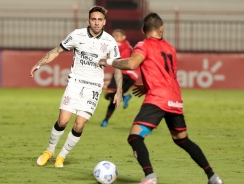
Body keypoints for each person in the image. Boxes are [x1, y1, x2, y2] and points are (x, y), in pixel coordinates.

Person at [97, 13, 223, 184]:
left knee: (135, 137)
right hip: (175, 99)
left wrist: (109, 61)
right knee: (182, 139)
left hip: (158, 99)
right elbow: (166, 75)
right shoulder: (170, 47)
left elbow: (132, 64)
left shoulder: (143, 45)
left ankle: (150, 177)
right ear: (161, 28)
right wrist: (146, 86)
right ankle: (213, 177)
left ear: (143, 30)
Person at [29, 6, 122, 168]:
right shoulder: (76, 35)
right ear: (88, 21)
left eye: (100, 20)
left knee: (79, 124)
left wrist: (119, 91)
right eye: (94, 19)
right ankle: (49, 151)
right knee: (63, 120)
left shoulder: (110, 41)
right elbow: (57, 50)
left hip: (93, 87)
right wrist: (39, 63)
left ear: (104, 22)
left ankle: (62, 156)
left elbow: (118, 66)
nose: (97, 23)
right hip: (75, 83)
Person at [100, 29, 140, 127]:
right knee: (114, 98)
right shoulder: (128, 46)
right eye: (114, 36)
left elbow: (109, 55)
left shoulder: (120, 44)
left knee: (108, 94)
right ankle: (105, 120)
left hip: (122, 72)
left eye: (117, 36)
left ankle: (125, 97)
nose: (115, 38)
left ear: (123, 37)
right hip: (133, 76)